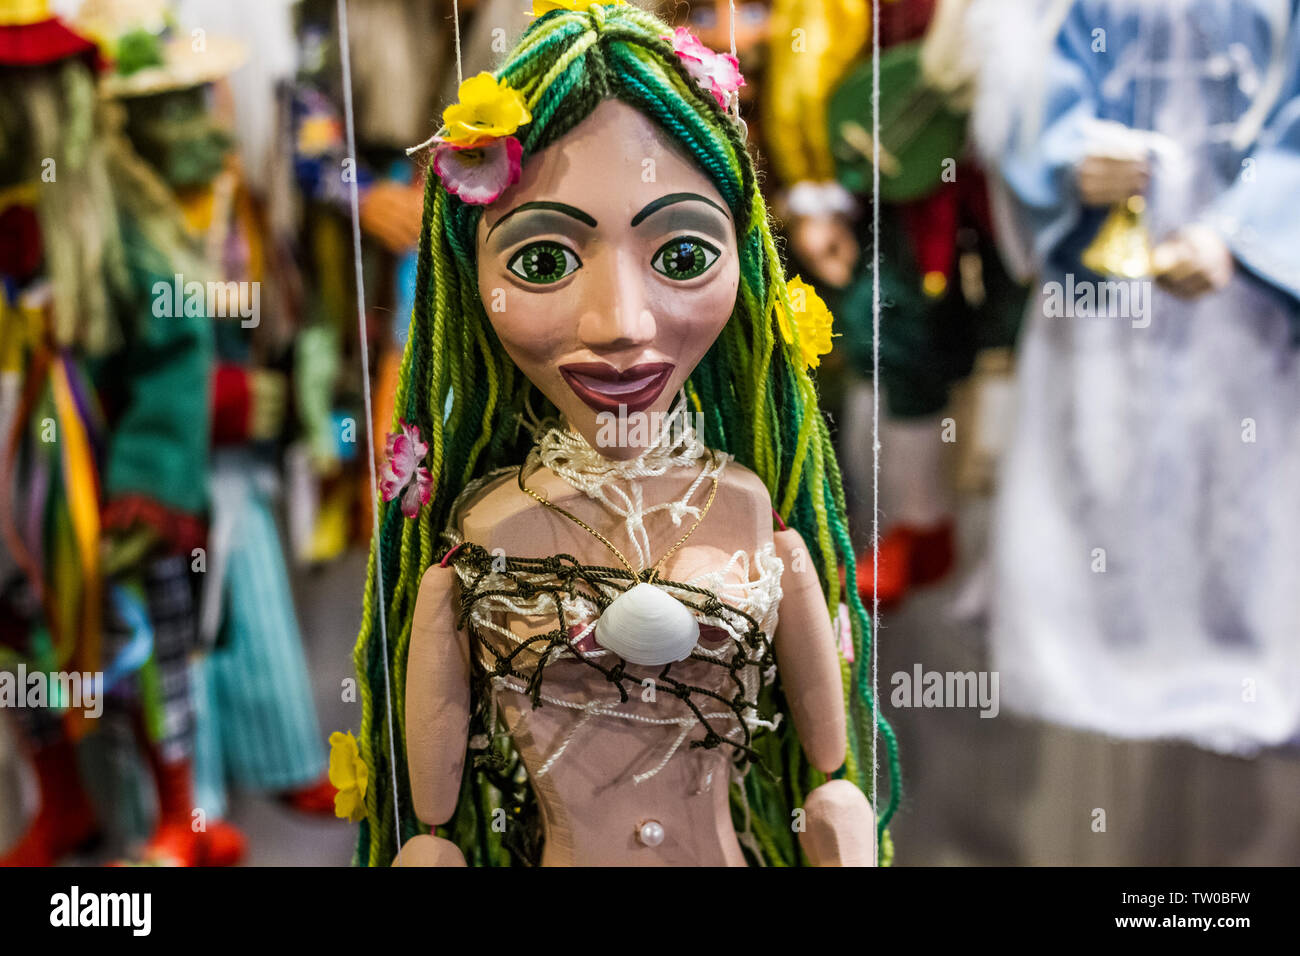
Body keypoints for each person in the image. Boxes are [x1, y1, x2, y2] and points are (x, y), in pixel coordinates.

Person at [346, 1, 899, 867]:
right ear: (463, 278)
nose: (620, 323)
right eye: (541, 262)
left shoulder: (757, 523)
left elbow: (831, 782)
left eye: (682, 257)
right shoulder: (478, 550)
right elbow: (431, 822)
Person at [977, 0, 1300, 753]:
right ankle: (1098, 657)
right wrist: (1069, 157)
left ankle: (1245, 659)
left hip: (1248, 291)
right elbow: (1028, 76)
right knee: (1098, 451)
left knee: (1244, 467)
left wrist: (1242, 232)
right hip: (1106, 273)